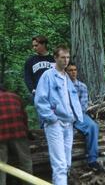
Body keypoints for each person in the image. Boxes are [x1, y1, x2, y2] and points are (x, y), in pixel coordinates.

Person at [34, 45, 83, 185]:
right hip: (55, 124)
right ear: (55, 58)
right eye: (63, 57)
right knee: (60, 164)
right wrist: (52, 118)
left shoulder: (66, 76)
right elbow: (40, 100)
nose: (66, 60)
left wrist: (75, 117)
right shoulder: (48, 75)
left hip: (68, 123)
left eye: (68, 57)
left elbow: (72, 100)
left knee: (67, 162)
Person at [66, 63, 104, 171]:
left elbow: (83, 106)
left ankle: (92, 160)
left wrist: (74, 117)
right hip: (64, 115)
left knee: (93, 126)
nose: (73, 72)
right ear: (66, 72)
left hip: (78, 115)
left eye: (75, 70)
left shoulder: (82, 86)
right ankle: (66, 166)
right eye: (70, 70)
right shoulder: (61, 85)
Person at [0, 84, 32, 185]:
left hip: (1, 135)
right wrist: (27, 133)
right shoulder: (15, 97)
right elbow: (24, 117)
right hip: (18, 132)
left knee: (1, 165)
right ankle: (28, 183)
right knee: (25, 161)